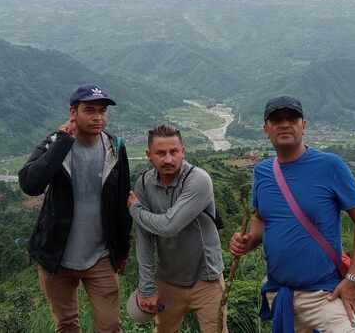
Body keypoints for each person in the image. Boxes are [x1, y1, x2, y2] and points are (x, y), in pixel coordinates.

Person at [229, 96, 355, 333]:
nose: (284, 124)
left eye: (292, 118)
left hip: (325, 294)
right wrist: (248, 241)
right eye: (276, 119)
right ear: (266, 129)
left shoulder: (330, 165)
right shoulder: (263, 172)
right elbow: (261, 218)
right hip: (281, 295)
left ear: (303, 125)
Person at [18, 84, 131, 333]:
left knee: (110, 325)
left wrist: (121, 251)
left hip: (100, 255)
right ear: (73, 111)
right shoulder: (55, 143)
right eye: (89, 110)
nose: (97, 117)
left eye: (102, 111)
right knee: (67, 324)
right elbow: (30, 184)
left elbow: (122, 203)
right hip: (57, 256)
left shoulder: (115, 147)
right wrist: (61, 144)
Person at [127, 124, 227, 333]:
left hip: (206, 279)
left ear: (183, 151)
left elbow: (169, 226)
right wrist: (147, 287)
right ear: (149, 155)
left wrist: (135, 210)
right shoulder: (144, 184)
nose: (168, 159)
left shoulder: (198, 180)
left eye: (174, 152)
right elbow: (144, 239)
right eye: (160, 153)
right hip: (168, 281)